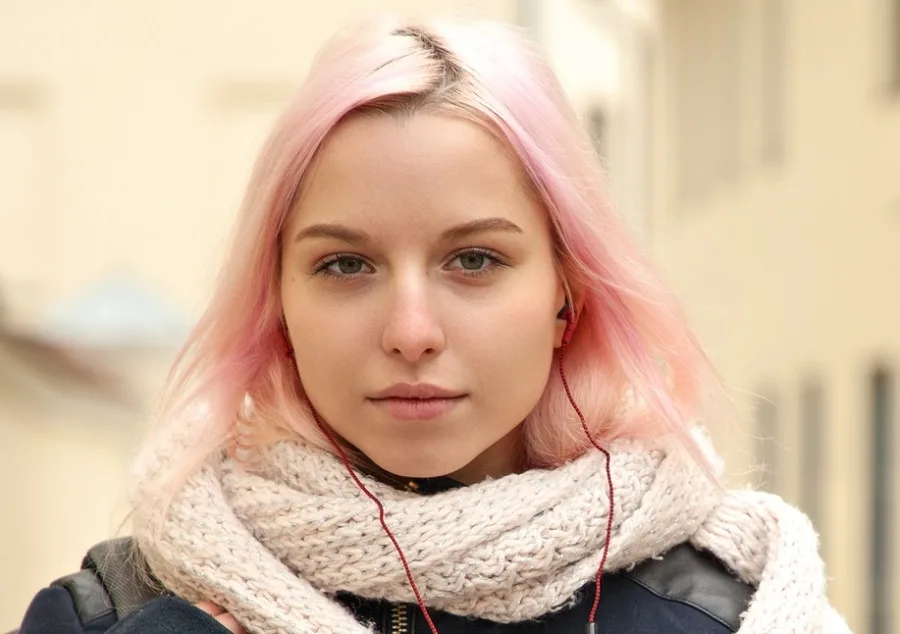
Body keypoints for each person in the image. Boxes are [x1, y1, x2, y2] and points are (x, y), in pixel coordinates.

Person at [15, 17, 850, 634]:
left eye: (475, 261)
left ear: (567, 293)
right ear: (279, 303)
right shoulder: (114, 615)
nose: (411, 330)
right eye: (346, 265)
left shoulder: (733, 614)